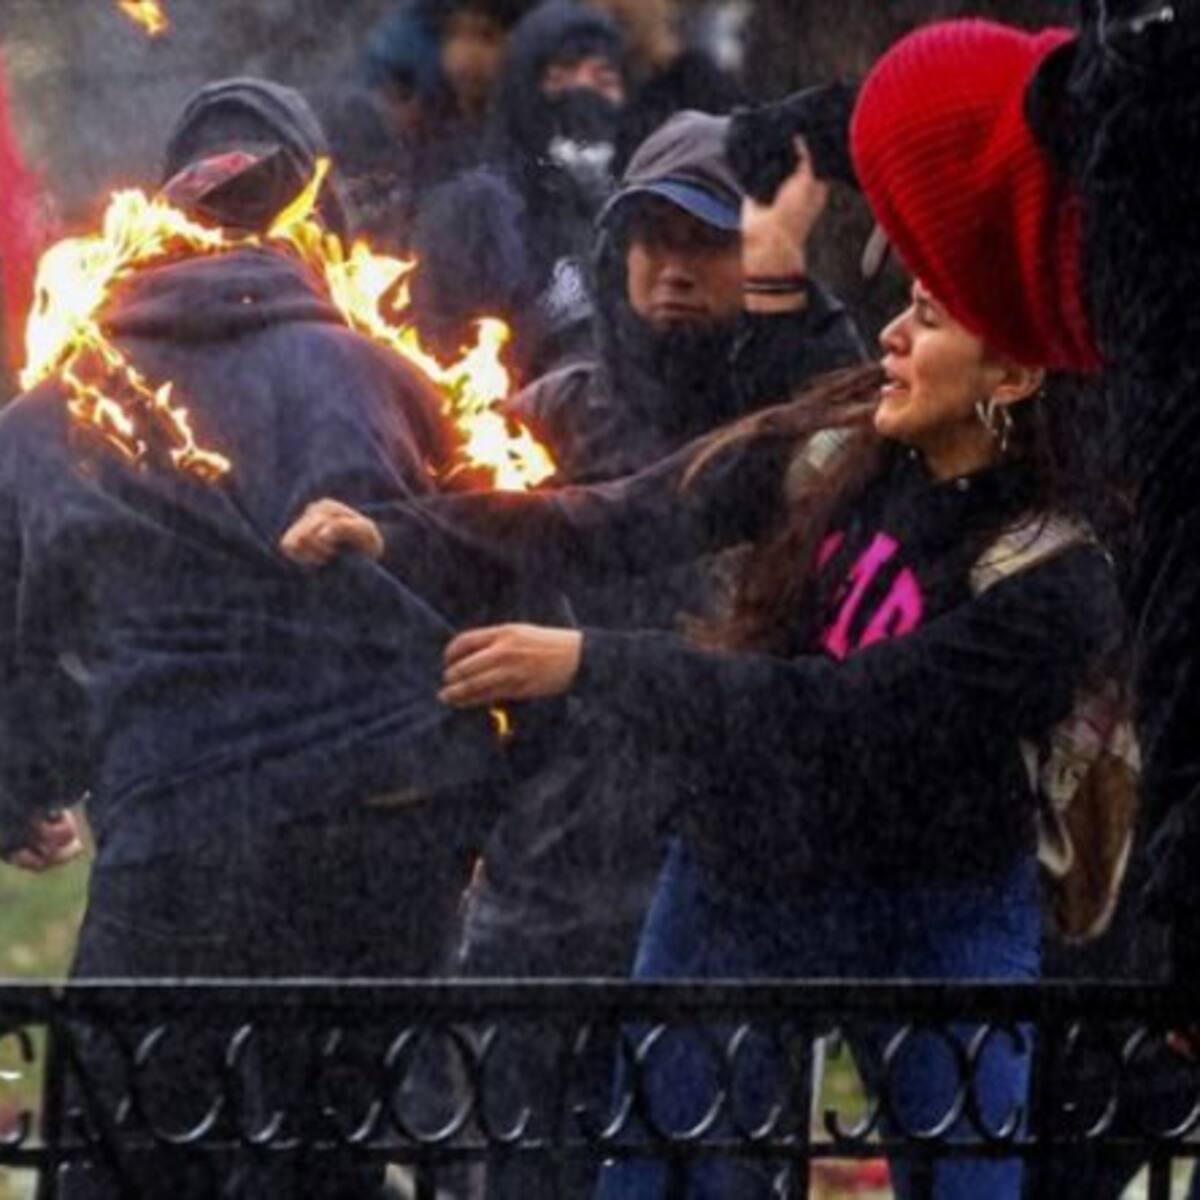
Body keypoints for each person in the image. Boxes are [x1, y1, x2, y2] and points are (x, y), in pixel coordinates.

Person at [283, 24, 1123, 1199]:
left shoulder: (1052, 575)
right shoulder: (838, 440)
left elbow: (834, 710)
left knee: (976, 1183)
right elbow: (614, 514)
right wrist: (400, 531)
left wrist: (585, 660)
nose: (889, 332)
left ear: (1017, 374)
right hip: (752, 864)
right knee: (664, 1174)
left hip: (939, 891)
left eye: (927, 318)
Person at [0, 78, 522, 1199]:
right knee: (317, 1154)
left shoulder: (52, 407)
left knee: (124, 1155)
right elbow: (493, 579)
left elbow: (19, 627)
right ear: (311, 223)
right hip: (385, 831)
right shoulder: (398, 380)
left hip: (182, 833)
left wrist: (20, 789)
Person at [399, 107, 861, 1200]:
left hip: (726, 889)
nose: (673, 272)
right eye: (650, 242)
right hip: (543, 896)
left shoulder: (805, 416)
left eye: (707, 241)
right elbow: (443, 607)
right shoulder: (547, 415)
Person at [409, 0, 628, 378]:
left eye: (603, 79)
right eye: (560, 76)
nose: (582, 91)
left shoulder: (641, 211)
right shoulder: (479, 213)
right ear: (523, 86)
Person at [351, 0, 532, 248]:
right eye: (455, 35)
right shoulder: (424, 128)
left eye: (486, 38)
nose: (467, 54)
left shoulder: (526, 136)